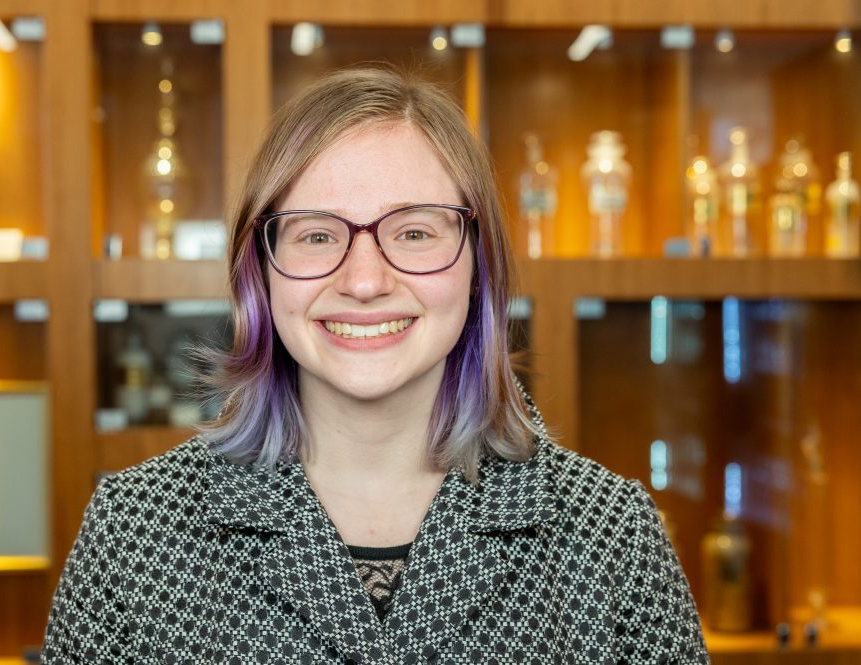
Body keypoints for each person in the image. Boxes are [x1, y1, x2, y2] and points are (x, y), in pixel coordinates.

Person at [41, 67, 708, 664]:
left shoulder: (610, 531)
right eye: (318, 234)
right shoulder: (133, 532)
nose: (364, 280)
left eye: (414, 231)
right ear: (261, 272)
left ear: (480, 267)